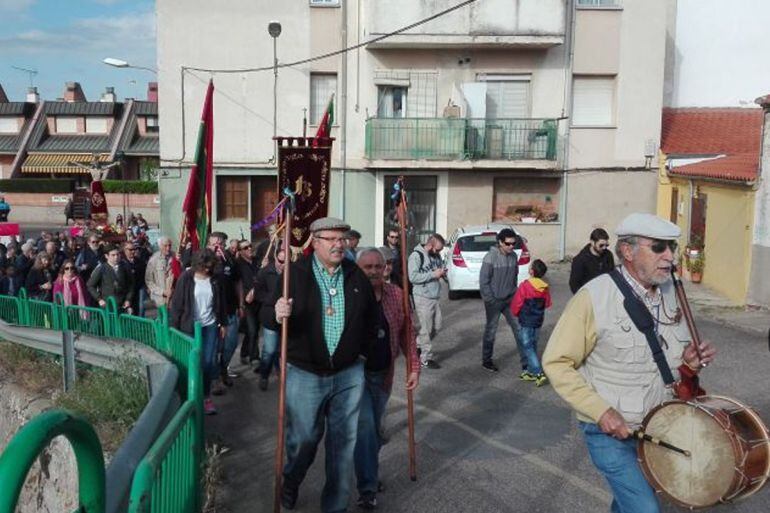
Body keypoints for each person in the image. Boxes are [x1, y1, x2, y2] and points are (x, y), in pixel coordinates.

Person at [542, 213, 716, 513]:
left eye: (672, 248)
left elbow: (673, 362)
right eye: (659, 247)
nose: (670, 256)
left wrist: (688, 364)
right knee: (645, 509)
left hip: (659, 428)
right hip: (609, 430)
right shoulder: (594, 298)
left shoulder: (671, 293)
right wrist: (602, 412)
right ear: (627, 251)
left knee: (629, 503)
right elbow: (556, 362)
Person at [272, 217, 378, 513]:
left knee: (342, 448)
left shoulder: (356, 276)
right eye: (331, 239)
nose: (338, 244)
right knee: (304, 439)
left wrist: (363, 355)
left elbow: (373, 321)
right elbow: (266, 313)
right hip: (305, 374)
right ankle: (290, 481)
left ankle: (335, 507)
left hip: (348, 374)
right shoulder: (295, 274)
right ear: (314, 242)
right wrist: (277, 313)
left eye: (341, 239)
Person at [353, 248, 420, 509]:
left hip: (383, 376)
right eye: (366, 267)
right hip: (354, 376)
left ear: (385, 268)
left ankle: (367, 469)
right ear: (358, 269)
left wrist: (414, 366)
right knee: (367, 428)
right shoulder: (350, 294)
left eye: (376, 267)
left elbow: (407, 334)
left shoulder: (396, 294)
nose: (372, 271)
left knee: (375, 431)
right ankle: (367, 488)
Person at [169, 249, 227, 415]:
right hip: (189, 326)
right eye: (205, 267)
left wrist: (223, 323)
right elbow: (177, 304)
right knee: (190, 362)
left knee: (208, 363)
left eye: (211, 266)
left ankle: (206, 397)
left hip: (209, 325)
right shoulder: (186, 278)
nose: (208, 270)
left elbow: (220, 302)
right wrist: (174, 328)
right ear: (198, 265)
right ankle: (189, 396)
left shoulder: (215, 279)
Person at [478, 228, 523, 373]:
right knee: (491, 330)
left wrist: (515, 294)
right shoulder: (490, 258)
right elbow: (484, 281)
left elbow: (515, 276)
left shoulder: (513, 257)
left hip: (510, 299)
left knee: (519, 328)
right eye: (508, 244)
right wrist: (490, 299)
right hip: (494, 301)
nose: (511, 247)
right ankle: (486, 360)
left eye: (513, 244)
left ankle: (527, 362)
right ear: (500, 242)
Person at [510, 259, 552, 386]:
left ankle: (538, 373)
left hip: (526, 321)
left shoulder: (525, 285)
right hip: (538, 320)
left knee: (527, 346)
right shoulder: (544, 287)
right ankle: (530, 371)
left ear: (531, 271)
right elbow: (548, 303)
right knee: (533, 344)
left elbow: (517, 303)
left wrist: (515, 313)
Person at [408, 233, 446, 369]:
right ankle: (425, 358)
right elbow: (412, 277)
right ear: (430, 244)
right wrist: (433, 274)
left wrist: (442, 272)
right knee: (427, 328)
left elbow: (437, 270)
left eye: (440, 250)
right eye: (437, 249)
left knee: (437, 326)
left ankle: (417, 345)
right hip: (422, 296)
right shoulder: (416, 256)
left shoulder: (436, 255)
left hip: (434, 295)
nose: (438, 252)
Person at [208, 232, 240, 392]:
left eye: (221, 243)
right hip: (213, 313)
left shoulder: (230, 260)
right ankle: (215, 380)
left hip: (230, 310)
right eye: (215, 243)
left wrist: (241, 305)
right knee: (214, 348)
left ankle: (223, 369)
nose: (218, 246)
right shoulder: (204, 261)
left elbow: (237, 282)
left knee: (231, 343)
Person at [253, 242, 285, 390]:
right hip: (270, 316)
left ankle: (281, 374)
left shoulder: (294, 271)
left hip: (287, 317)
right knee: (270, 349)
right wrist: (274, 300)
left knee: (282, 350)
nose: (283, 264)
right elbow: (258, 294)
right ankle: (264, 375)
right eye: (281, 261)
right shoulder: (265, 272)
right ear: (275, 257)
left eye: (286, 261)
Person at [87, 244, 134, 312]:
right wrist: (99, 299)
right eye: (113, 255)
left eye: (118, 254)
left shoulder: (125, 267)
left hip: (122, 305)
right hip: (107, 306)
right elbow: (90, 285)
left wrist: (128, 299)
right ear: (106, 256)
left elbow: (131, 284)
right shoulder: (101, 268)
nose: (116, 257)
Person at [236, 239, 261, 365]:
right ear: (240, 252)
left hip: (259, 300)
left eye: (250, 246)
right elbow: (238, 284)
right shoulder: (238, 264)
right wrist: (241, 303)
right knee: (252, 330)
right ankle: (254, 357)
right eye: (245, 248)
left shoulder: (258, 261)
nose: (250, 249)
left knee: (252, 330)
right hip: (246, 303)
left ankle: (244, 353)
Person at [569, 228, 615, 293]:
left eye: (606, 245)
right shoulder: (580, 260)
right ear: (592, 242)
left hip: (605, 294)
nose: (604, 248)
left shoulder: (608, 255)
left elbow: (612, 275)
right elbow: (574, 284)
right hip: (588, 295)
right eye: (601, 245)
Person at [145, 237, 176, 310]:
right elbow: (149, 281)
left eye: (170, 245)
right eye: (165, 246)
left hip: (173, 297)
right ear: (160, 246)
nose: (168, 248)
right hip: (159, 299)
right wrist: (162, 292)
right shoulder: (154, 260)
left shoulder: (174, 256)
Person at [121, 241, 147, 316]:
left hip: (139, 288)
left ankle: (141, 323)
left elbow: (144, 273)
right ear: (125, 250)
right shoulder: (121, 262)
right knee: (130, 308)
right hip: (127, 290)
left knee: (141, 306)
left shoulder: (140, 261)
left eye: (134, 249)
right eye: (130, 250)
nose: (133, 251)